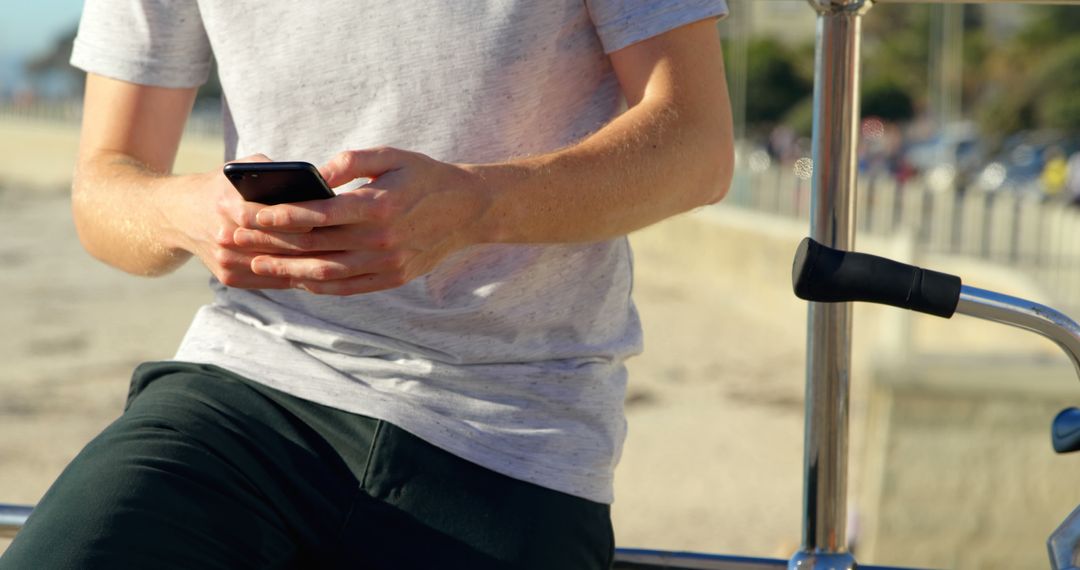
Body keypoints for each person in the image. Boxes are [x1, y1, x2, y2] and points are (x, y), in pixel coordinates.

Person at [1, 1, 734, 568]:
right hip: (246, 388)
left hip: (513, 428)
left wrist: (478, 207)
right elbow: (104, 187)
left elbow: (697, 144)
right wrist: (189, 214)